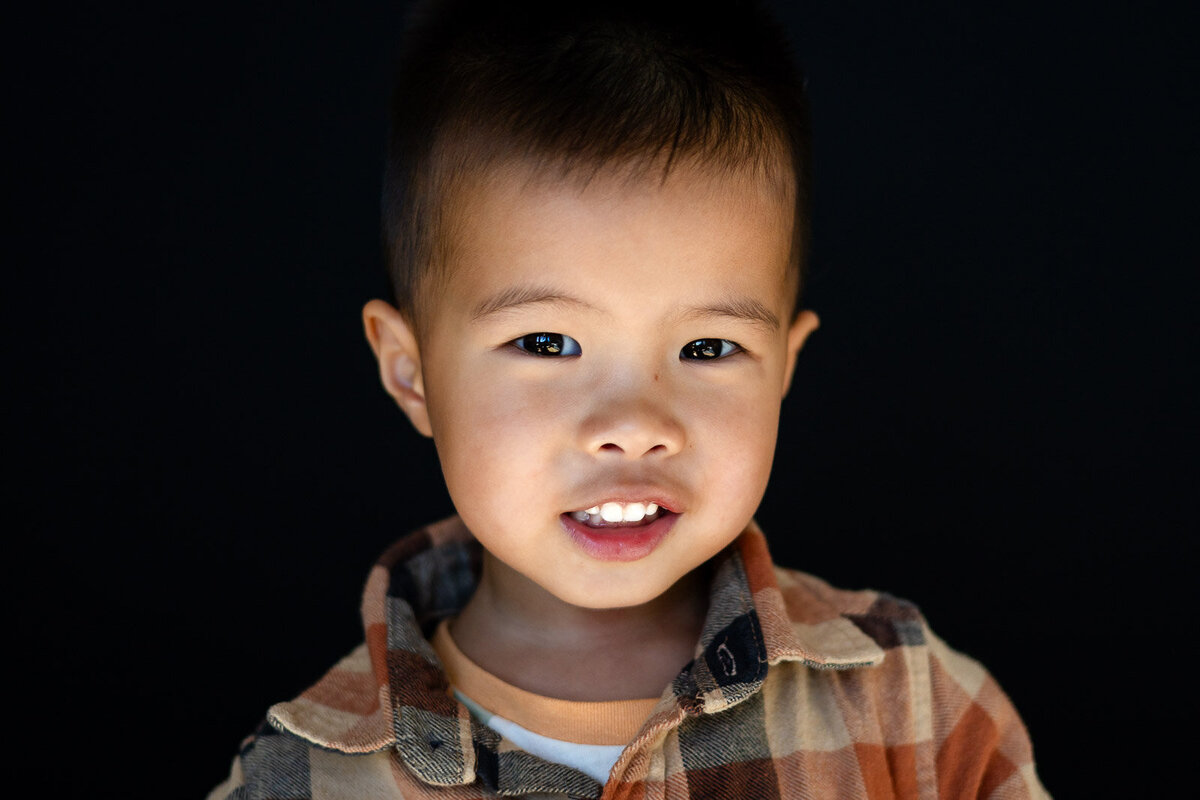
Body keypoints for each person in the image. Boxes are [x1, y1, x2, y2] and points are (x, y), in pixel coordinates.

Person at [209, 0, 1049, 797]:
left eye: (708, 348)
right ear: (410, 371)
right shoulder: (300, 777)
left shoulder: (919, 706)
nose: (634, 427)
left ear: (785, 368)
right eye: (547, 343)